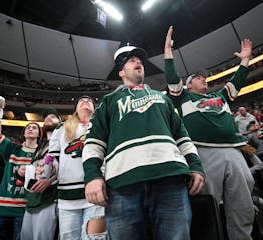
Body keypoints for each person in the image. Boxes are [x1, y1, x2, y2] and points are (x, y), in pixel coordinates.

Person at [82, 45, 205, 239]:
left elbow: (182, 137)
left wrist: (196, 166)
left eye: (139, 60)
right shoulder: (108, 101)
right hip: (122, 185)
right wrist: (92, 177)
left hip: (170, 180)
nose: (138, 62)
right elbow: (93, 143)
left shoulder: (163, 99)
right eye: (131, 60)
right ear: (121, 72)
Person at [164, 26, 254, 240]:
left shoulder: (221, 96)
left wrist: (245, 60)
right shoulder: (183, 97)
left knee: (243, 205)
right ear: (188, 85)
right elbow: (172, 76)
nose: (204, 79)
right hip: (202, 152)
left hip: (233, 150)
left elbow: (237, 81)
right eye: (198, 78)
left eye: (204, 78)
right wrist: (168, 51)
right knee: (206, 206)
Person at [0, 96, 41, 240]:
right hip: (2, 208)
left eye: (34, 127)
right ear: (24, 133)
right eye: (28, 127)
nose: (31, 129)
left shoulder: (42, 153)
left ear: (40, 134)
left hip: (25, 211)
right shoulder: (12, 149)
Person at [49, 96, 107, 240]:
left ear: (95, 108)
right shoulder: (61, 128)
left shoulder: (103, 125)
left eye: (90, 101)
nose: (86, 101)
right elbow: (53, 159)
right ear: (75, 108)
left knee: (94, 238)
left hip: (97, 190)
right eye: (81, 101)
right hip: (67, 195)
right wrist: (46, 169)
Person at [18, 108, 61, 240]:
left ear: (61, 122)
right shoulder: (40, 146)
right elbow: (35, 171)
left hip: (50, 200)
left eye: (53, 116)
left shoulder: (64, 141)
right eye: (46, 117)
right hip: (32, 201)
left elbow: (69, 169)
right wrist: (23, 173)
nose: (48, 118)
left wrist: (50, 180)